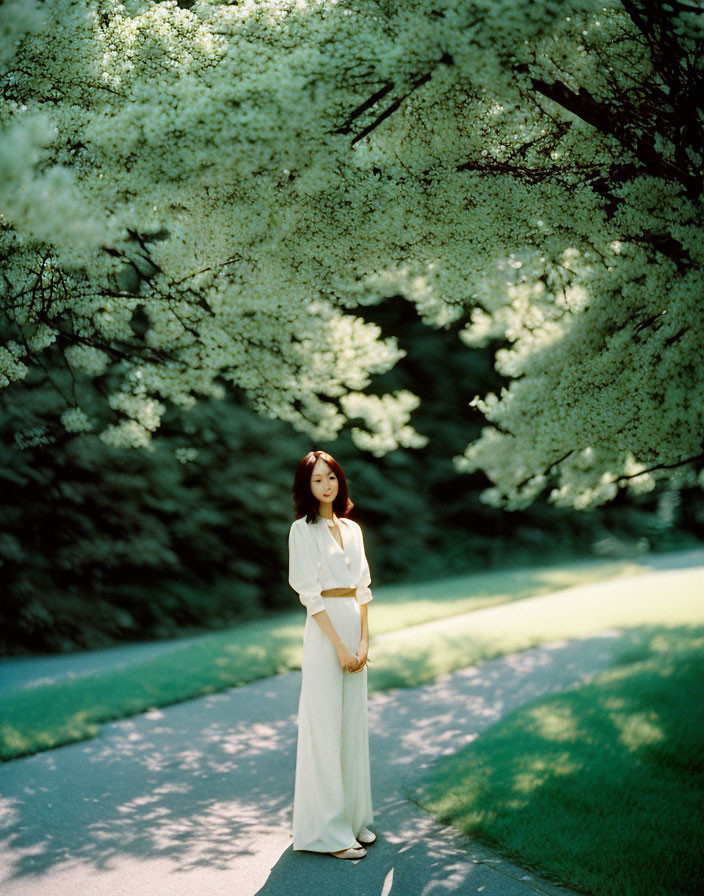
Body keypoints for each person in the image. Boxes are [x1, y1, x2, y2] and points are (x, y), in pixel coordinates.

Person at [288, 450, 375, 860]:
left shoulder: (353, 530)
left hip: (352, 626)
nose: (326, 485)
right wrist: (340, 645)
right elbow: (309, 593)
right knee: (325, 727)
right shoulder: (301, 531)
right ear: (307, 486)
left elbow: (363, 588)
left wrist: (363, 642)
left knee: (352, 726)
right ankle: (327, 832)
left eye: (332, 478)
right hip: (324, 632)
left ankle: (354, 820)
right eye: (318, 479)